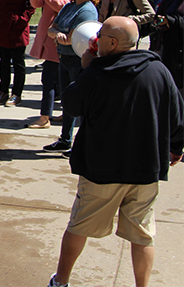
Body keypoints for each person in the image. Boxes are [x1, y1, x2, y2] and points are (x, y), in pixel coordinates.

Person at [47, 16, 184, 287]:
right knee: (143, 235)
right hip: (145, 170)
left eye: (101, 37)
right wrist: (176, 148)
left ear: (111, 42)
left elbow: (71, 105)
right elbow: (177, 115)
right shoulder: (158, 71)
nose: (94, 42)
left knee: (80, 225)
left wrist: (85, 69)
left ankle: (61, 282)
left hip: (101, 169)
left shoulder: (96, 74)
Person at [44, 0, 101, 152]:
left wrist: (61, 36)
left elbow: (73, 38)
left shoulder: (87, 9)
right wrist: (57, 34)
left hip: (80, 61)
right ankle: (65, 139)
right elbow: (51, 29)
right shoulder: (69, 6)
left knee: (82, 103)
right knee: (68, 101)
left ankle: (84, 142)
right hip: (64, 59)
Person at [28, 0, 75, 128]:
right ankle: (49, 115)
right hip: (48, 39)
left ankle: (49, 116)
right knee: (50, 79)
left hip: (60, 41)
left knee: (56, 79)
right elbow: (35, 3)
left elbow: (60, 6)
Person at [153, 0, 184, 91]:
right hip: (165, 46)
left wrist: (170, 21)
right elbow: (158, 14)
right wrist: (159, 20)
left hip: (180, 51)